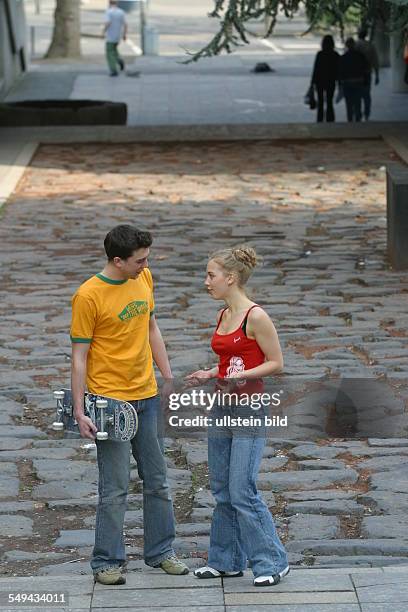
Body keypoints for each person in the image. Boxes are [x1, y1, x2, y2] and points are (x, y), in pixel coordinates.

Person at [70, 225, 189, 585]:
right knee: (115, 487)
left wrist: (167, 376)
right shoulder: (88, 296)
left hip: (147, 397)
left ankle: (161, 552)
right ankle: (106, 561)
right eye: (140, 260)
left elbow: (152, 327)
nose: (146, 265)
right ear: (118, 260)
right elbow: (79, 357)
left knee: (158, 481)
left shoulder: (144, 278)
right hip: (109, 402)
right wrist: (80, 410)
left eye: (147, 258)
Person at [186, 246, 289, 587]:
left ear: (230, 278)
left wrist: (240, 377)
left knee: (242, 489)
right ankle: (226, 561)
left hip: (249, 409)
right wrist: (209, 373)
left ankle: (273, 562)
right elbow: (230, 361)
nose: (206, 282)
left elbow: (276, 363)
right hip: (222, 407)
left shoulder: (255, 316)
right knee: (221, 489)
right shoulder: (223, 314)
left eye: (211, 275)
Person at [339, 37, 369, 122]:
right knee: (357, 103)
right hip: (358, 82)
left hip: (347, 83)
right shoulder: (360, 56)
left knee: (349, 105)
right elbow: (366, 69)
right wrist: (366, 81)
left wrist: (340, 84)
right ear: (354, 45)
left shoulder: (343, 57)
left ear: (346, 45)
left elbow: (340, 72)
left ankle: (350, 122)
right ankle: (358, 122)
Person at [311, 35, 340, 122]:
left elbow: (316, 69)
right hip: (331, 81)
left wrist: (312, 82)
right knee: (329, 101)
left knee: (320, 102)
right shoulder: (335, 55)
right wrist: (339, 81)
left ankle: (320, 119)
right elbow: (338, 69)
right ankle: (330, 119)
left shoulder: (320, 54)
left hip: (320, 81)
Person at [355, 28, 380, 120]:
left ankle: (357, 114)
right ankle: (366, 114)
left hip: (356, 74)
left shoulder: (355, 45)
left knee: (357, 95)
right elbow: (375, 61)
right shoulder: (370, 45)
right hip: (367, 73)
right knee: (366, 95)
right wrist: (377, 75)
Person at [104, 0, 127, 77]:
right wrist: (124, 35)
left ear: (109, 3)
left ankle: (113, 70)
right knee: (114, 50)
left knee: (109, 53)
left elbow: (108, 23)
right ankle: (119, 60)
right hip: (117, 36)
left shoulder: (108, 12)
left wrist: (103, 31)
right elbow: (125, 24)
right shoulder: (121, 12)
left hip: (110, 36)